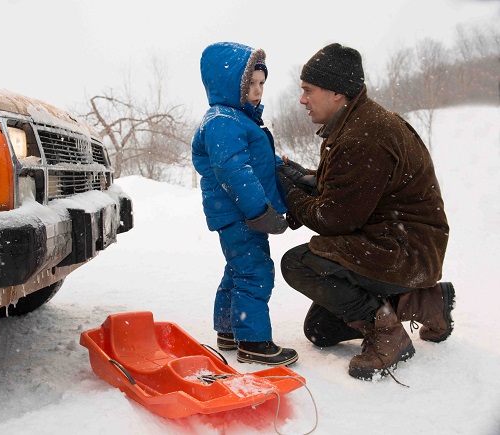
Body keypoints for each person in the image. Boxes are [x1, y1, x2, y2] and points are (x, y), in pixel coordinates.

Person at [278, 43, 454, 381]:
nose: (302, 100)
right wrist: (302, 177)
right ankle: (426, 301)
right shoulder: (357, 123)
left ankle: (387, 334)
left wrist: (290, 194)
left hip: (405, 249)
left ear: (336, 92)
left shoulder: (364, 135)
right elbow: (349, 189)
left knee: (299, 264)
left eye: (307, 90)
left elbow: (334, 219)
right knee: (321, 330)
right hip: (388, 242)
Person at [192, 41, 298, 366]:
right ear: (229, 84)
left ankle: (229, 330)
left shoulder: (238, 119)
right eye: (250, 83)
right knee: (255, 271)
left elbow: (257, 162)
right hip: (241, 214)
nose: (257, 90)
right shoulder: (224, 120)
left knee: (238, 269)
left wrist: (289, 171)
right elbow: (234, 170)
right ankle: (253, 342)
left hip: (239, 214)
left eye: (262, 83)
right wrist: (259, 211)